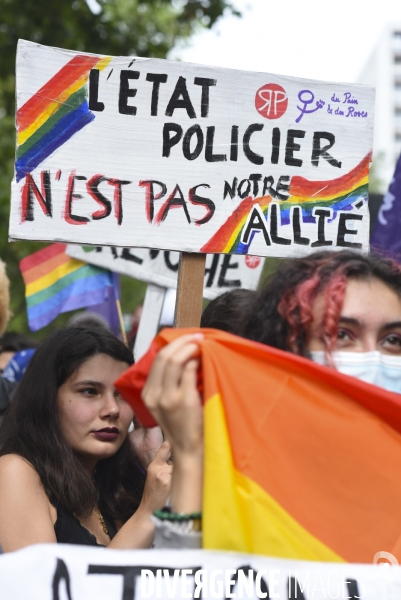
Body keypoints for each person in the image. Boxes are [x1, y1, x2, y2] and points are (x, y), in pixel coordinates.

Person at [140, 250, 401, 546]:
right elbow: (189, 585)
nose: (372, 356)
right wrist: (190, 457)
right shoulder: (247, 476)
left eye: (392, 340)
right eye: (341, 334)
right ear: (290, 349)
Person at [0, 327, 172, 552]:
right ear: (47, 399)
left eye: (122, 394)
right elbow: (47, 586)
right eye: (90, 391)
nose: (112, 409)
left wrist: (151, 458)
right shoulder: (15, 471)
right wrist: (147, 514)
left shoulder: (116, 484)